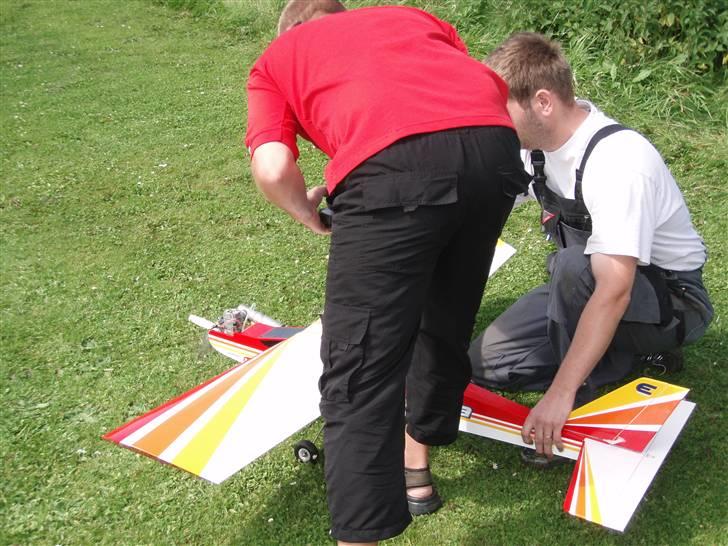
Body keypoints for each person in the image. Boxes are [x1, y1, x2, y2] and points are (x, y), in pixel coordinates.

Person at [245, 1, 527, 544]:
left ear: (294, 29)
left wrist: (306, 212)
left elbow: (274, 166)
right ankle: (415, 471)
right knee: (443, 316)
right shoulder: (412, 17)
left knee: (358, 366)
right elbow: (445, 99)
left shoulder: (277, 58)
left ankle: (361, 533)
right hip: (494, 150)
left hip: (395, 173)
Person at [466, 32, 714, 463]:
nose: (496, 122)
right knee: (486, 364)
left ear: (543, 101)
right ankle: (616, 354)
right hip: (587, 286)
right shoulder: (536, 149)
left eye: (502, 110)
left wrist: (559, 393)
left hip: (671, 302)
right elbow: (479, 195)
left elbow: (613, 288)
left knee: (572, 267)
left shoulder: (618, 163)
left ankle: (580, 397)